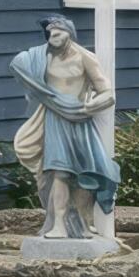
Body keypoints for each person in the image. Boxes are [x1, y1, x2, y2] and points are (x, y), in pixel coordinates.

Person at [12, 13, 118, 244]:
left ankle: (82, 222)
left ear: (69, 32)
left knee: (86, 174)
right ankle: (58, 225)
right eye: (49, 32)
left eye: (57, 31)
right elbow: (19, 65)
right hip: (54, 119)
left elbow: (107, 92)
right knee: (59, 172)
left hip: (80, 119)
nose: (53, 36)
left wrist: (92, 106)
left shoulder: (85, 57)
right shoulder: (42, 57)